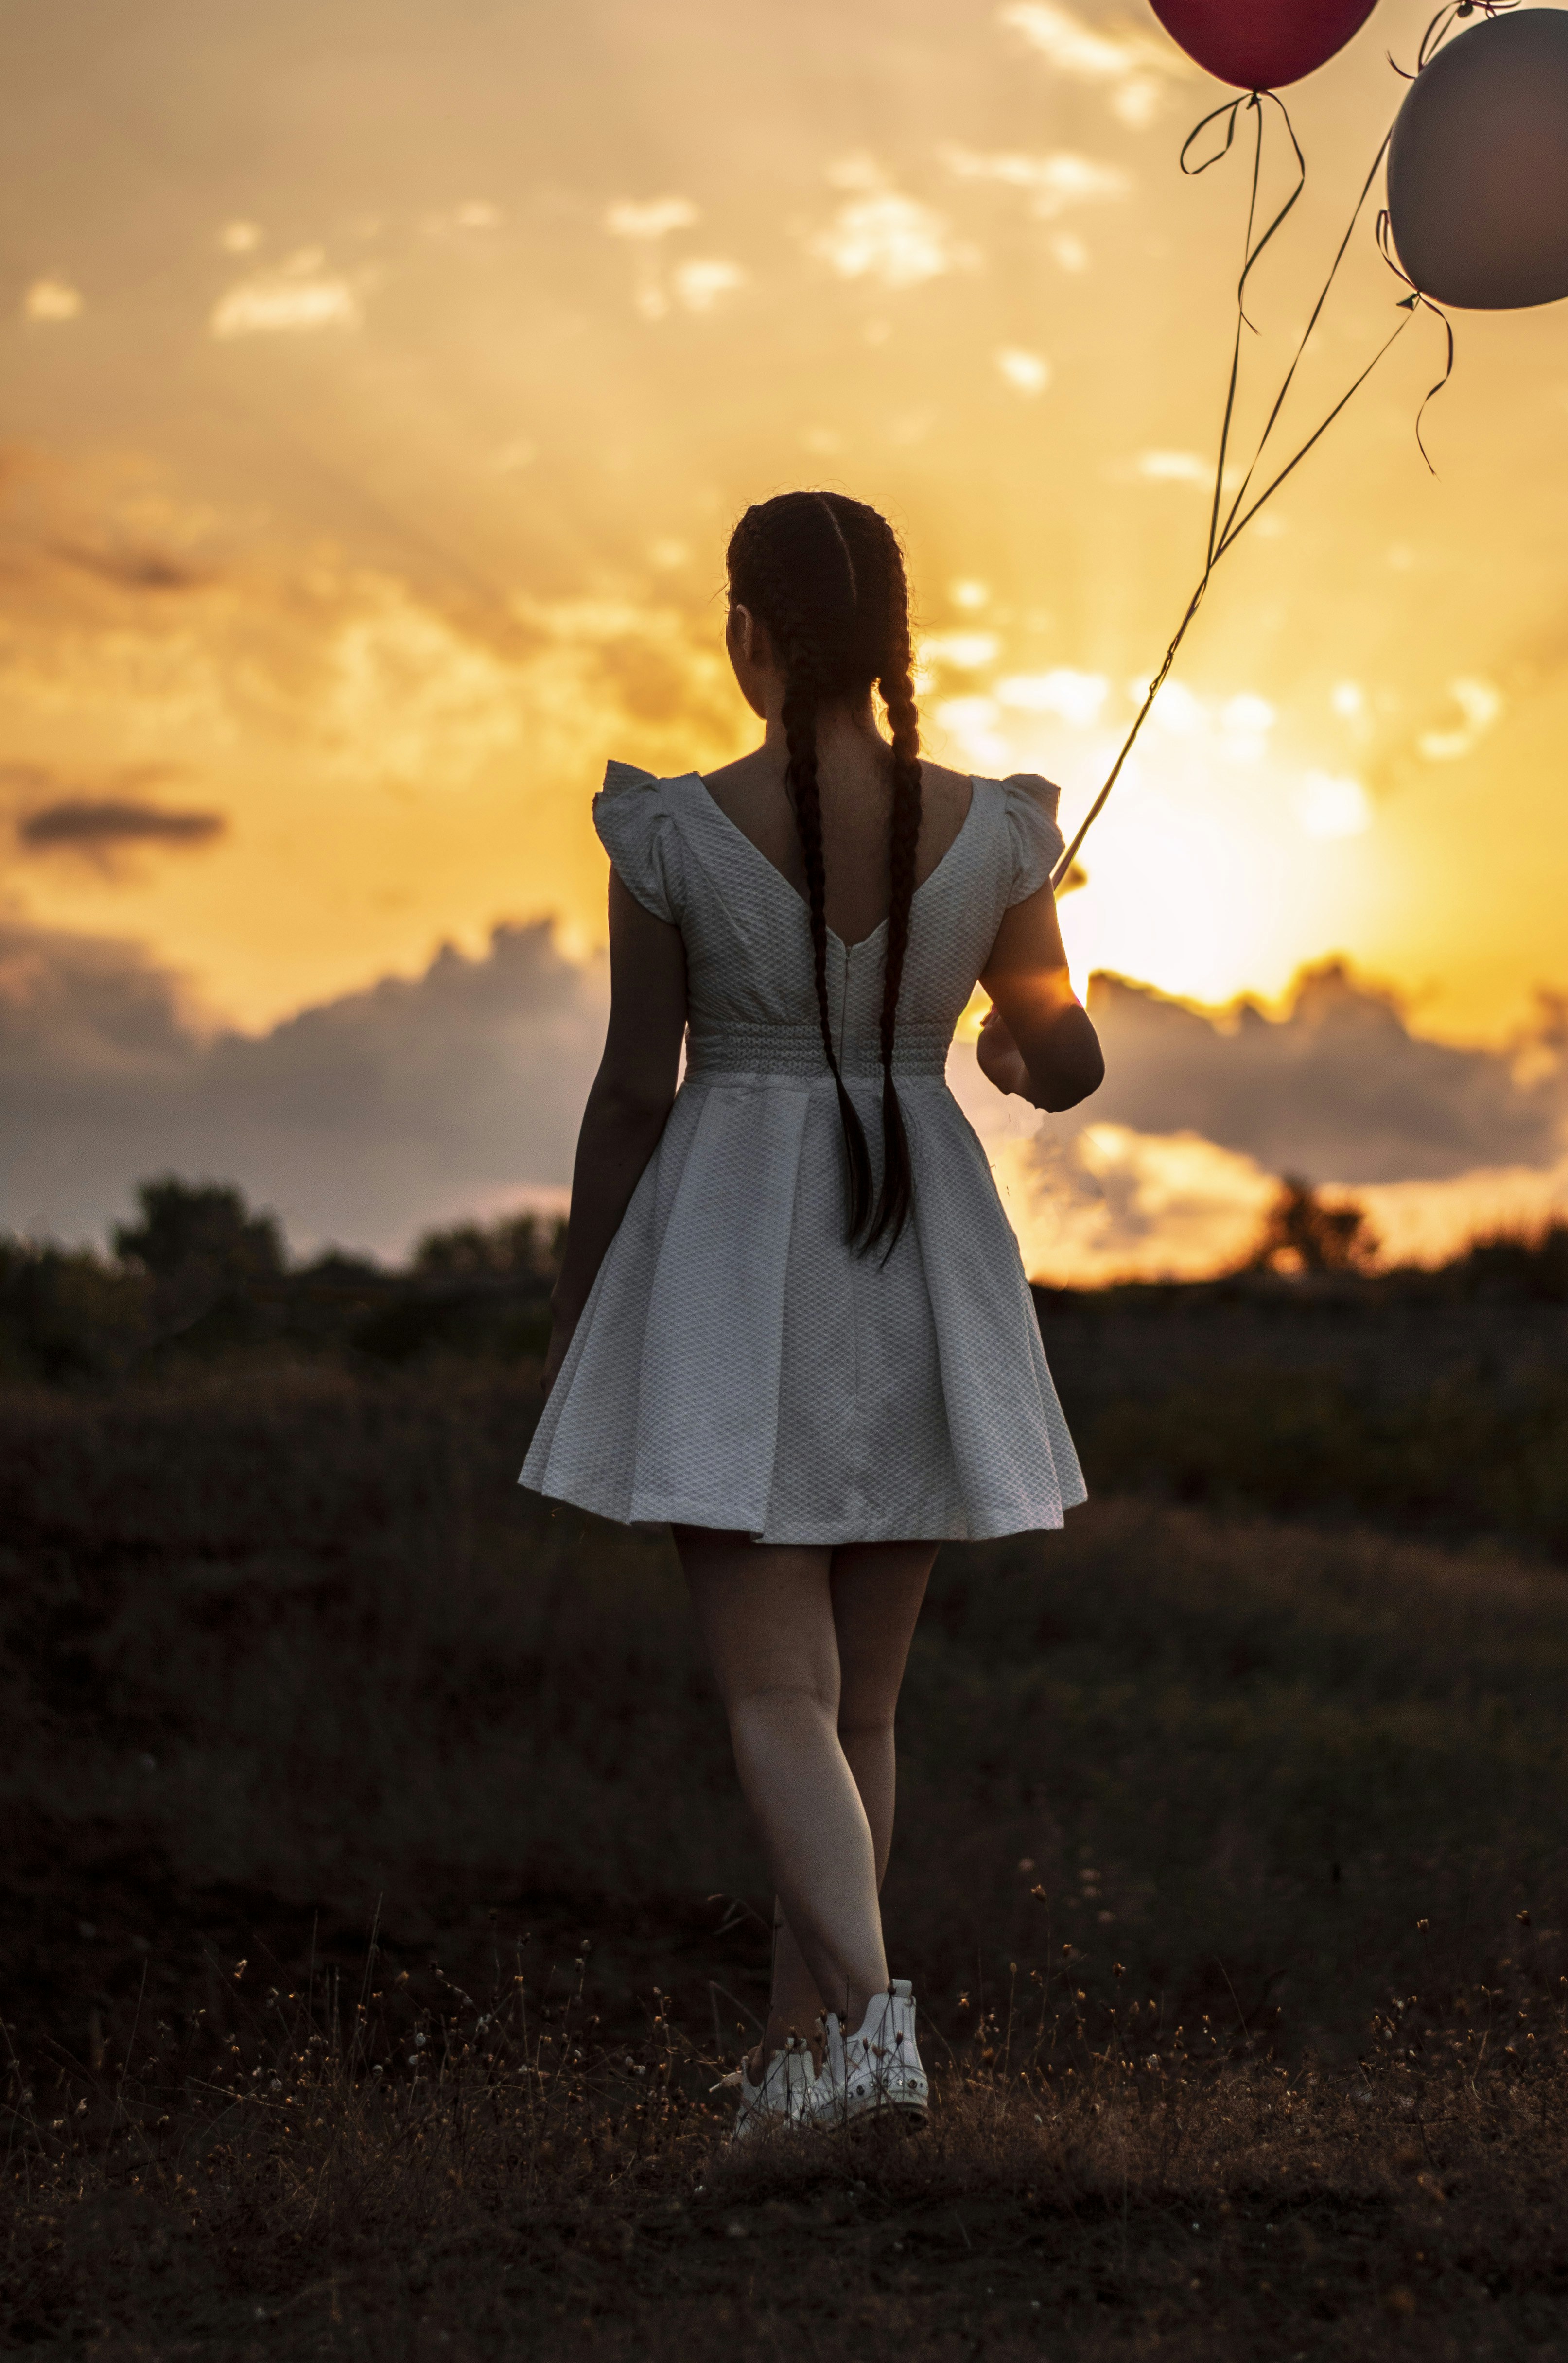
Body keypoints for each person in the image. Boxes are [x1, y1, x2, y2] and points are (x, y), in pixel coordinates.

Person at [521, 490, 1104, 2135]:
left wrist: (580, 1317)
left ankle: (873, 2028)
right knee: (860, 1709)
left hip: (726, 1251)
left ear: (751, 635)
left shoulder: (677, 833)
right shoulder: (994, 830)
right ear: (894, 639)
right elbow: (1063, 1061)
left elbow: (637, 1092)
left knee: (777, 1700)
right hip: (917, 1234)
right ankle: (808, 2072)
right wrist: (1002, 1038)